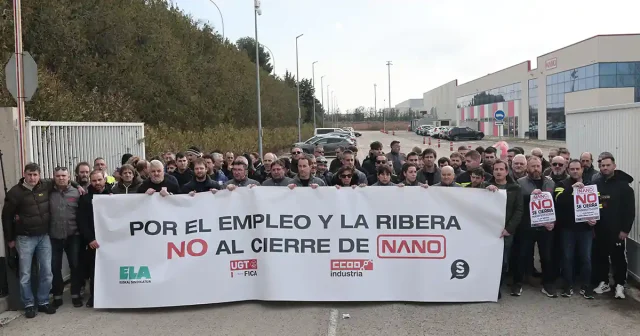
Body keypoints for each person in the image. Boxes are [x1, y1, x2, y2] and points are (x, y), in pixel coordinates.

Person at [1, 163, 60, 317]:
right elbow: (6, 217)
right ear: (24, 174)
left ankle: (43, 302)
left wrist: (76, 185)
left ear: (39, 175)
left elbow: (62, 179)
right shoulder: (15, 193)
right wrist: (10, 239)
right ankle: (28, 304)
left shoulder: (45, 185)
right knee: (25, 273)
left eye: (35, 174)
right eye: (29, 174)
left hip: (44, 237)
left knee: (47, 271)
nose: (32, 178)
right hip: (24, 238)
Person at [591, 154, 635, 299]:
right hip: (600, 229)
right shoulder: (596, 183)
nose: (605, 168)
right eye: (602, 165)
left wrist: (625, 230)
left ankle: (620, 285)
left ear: (614, 166)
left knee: (618, 259)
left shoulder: (624, 186)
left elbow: (630, 211)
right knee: (600, 257)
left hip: (617, 231)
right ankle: (603, 282)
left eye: (608, 165)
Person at [554, 159, 596, 299]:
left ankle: (586, 286)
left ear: (582, 169)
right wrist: (572, 189)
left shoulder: (590, 185)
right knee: (567, 258)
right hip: (567, 229)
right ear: (568, 170)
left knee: (586, 258)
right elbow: (558, 201)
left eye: (577, 168)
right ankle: (568, 286)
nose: (575, 171)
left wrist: (595, 219)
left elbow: (597, 205)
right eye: (572, 169)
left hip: (586, 230)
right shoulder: (562, 184)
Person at [485, 159, 523, 300]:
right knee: (488, 260)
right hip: (488, 230)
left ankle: (497, 287)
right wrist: (486, 190)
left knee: (503, 261)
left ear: (507, 171)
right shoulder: (485, 186)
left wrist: (509, 229)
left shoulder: (515, 188)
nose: (498, 172)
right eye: (496, 169)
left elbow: (519, 210)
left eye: (501, 169)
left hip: (505, 232)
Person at [77, 169, 112, 308]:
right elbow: (82, 222)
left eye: (99, 180)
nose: (97, 183)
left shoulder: (112, 195)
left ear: (104, 179)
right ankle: (94, 297)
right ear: (90, 182)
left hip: (111, 241)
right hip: (93, 242)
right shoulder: (85, 199)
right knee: (94, 270)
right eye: (94, 180)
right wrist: (90, 239)